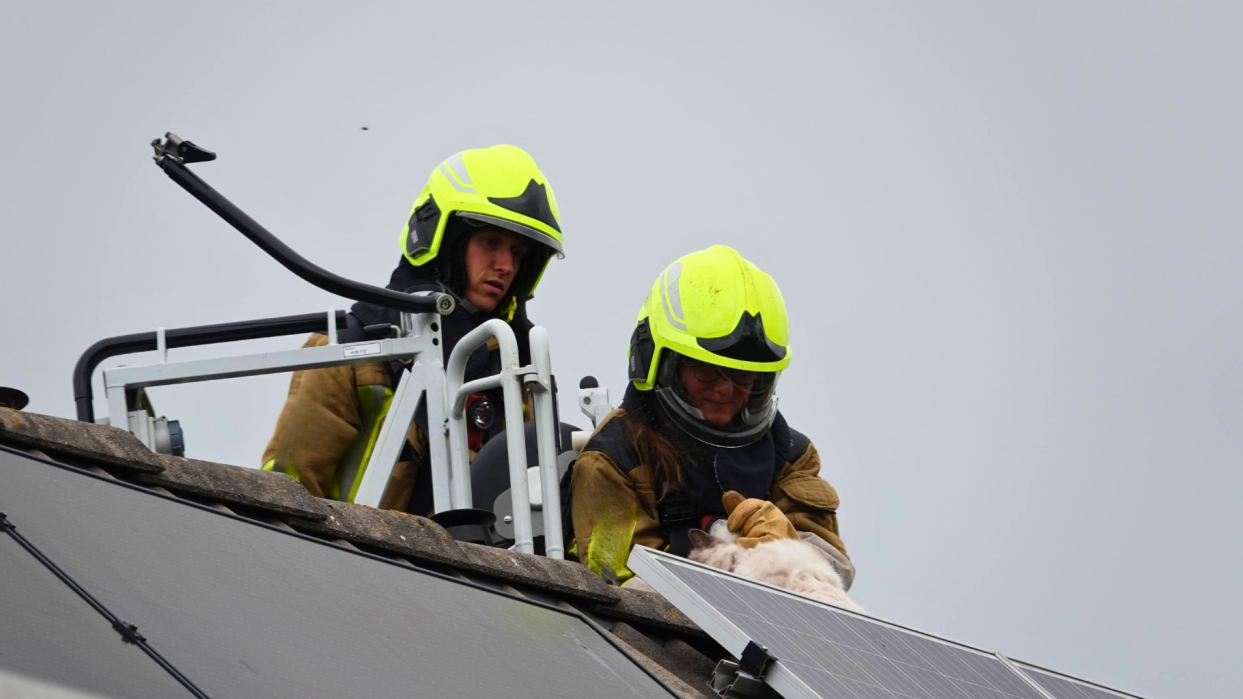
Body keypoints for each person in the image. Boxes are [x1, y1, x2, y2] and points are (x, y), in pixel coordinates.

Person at [263, 145, 563, 515]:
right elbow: (288, 492)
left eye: (518, 253)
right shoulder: (347, 352)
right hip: (354, 561)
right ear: (443, 242)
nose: (505, 265)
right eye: (491, 243)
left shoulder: (516, 371)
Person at [569, 245, 852, 588]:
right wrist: (751, 565)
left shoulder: (791, 455)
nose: (725, 389)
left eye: (744, 376)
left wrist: (787, 545)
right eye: (707, 370)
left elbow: (837, 574)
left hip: (776, 636)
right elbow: (618, 588)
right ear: (658, 362)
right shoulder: (612, 461)